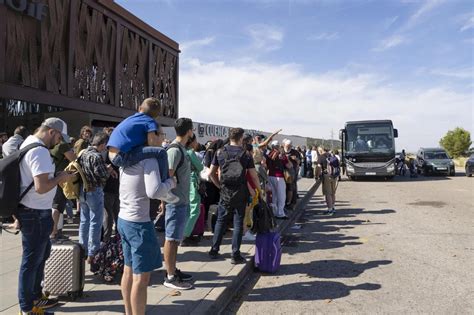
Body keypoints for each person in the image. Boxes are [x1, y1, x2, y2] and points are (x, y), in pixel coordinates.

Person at [17, 118, 75, 315]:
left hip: (33, 211)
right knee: (32, 261)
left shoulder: (28, 144)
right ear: (51, 132)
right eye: (59, 137)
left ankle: (35, 298)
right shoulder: (40, 150)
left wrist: (55, 175)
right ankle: (28, 307)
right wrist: (61, 177)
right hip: (35, 213)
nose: (59, 142)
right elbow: (41, 187)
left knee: (40, 256)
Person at [117, 125, 175, 315]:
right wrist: (171, 182)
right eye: (161, 134)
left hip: (124, 218)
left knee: (128, 271)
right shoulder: (149, 159)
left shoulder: (127, 158)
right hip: (139, 223)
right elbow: (154, 191)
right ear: (151, 136)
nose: (161, 139)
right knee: (141, 279)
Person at [107, 98, 177, 203]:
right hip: (122, 156)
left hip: (113, 154)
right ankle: (165, 188)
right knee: (161, 152)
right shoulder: (150, 121)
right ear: (156, 116)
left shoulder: (132, 118)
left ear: (139, 108)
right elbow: (152, 143)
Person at [208, 128, 260, 264]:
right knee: (238, 222)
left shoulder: (220, 152)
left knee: (221, 220)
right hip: (241, 191)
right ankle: (235, 254)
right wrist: (259, 190)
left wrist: (219, 186)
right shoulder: (245, 154)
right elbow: (253, 176)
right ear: (241, 138)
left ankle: (214, 249)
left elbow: (211, 173)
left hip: (225, 191)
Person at [163, 118, 194, 290]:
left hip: (180, 201)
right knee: (171, 239)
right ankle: (170, 276)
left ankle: (172, 270)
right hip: (174, 202)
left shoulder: (181, 149)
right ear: (189, 131)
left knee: (175, 239)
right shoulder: (174, 151)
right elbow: (168, 177)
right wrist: (165, 200)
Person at [78, 132, 112, 267]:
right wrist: (108, 170)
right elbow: (103, 176)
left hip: (82, 190)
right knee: (96, 222)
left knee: (84, 220)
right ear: (102, 144)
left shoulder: (83, 153)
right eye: (105, 146)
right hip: (94, 190)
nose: (105, 149)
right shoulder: (96, 156)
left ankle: (82, 249)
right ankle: (93, 252)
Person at [49, 138, 76, 240]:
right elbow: (74, 158)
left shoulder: (51, 145)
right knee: (57, 205)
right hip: (60, 178)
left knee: (57, 206)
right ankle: (53, 232)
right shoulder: (62, 145)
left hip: (53, 177)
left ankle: (56, 231)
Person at [181, 134, 204, 246]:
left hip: (185, 181)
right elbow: (200, 167)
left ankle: (186, 234)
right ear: (192, 142)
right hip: (193, 181)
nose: (197, 143)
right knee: (195, 209)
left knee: (188, 210)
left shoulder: (183, 151)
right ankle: (185, 236)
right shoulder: (190, 152)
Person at [265, 141, 292, 219]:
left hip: (270, 176)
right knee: (281, 195)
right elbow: (289, 166)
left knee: (274, 195)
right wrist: (287, 158)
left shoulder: (269, 153)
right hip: (279, 176)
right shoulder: (281, 155)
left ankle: (273, 212)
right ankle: (280, 213)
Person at [283, 139, 300, 210]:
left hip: (292, 172)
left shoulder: (295, 152)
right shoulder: (282, 151)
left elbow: (299, 162)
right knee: (284, 188)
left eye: (290, 146)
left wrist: (296, 159)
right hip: (283, 171)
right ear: (284, 145)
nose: (288, 147)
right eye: (287, 146)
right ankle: (285, 202)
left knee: (291, 187)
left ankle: (291, 203)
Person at [319, 148, 337, 215]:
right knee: (333, 192)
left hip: (327, 176)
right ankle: (333, 207)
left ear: (321, 151)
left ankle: (329, 210)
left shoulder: (321, 157)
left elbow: (318, 167)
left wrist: (316, 176)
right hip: (334, 176)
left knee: (328, 193)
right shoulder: (332, 155)